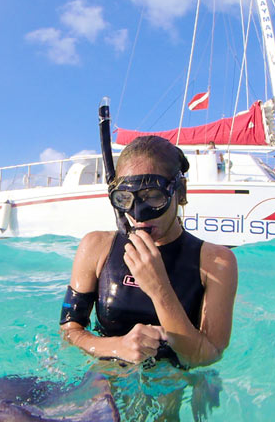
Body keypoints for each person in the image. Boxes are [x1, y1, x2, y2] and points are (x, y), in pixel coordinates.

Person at [60, 135, 238, 369]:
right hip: (107, 375)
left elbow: (207, 356)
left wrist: (159, 289)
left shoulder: (216, 262)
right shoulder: (95, 247)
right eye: (125, 199)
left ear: (180, 192)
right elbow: (69, 331)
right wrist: (117, 347)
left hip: (170, 383)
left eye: (153, 197)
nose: (138, 214)